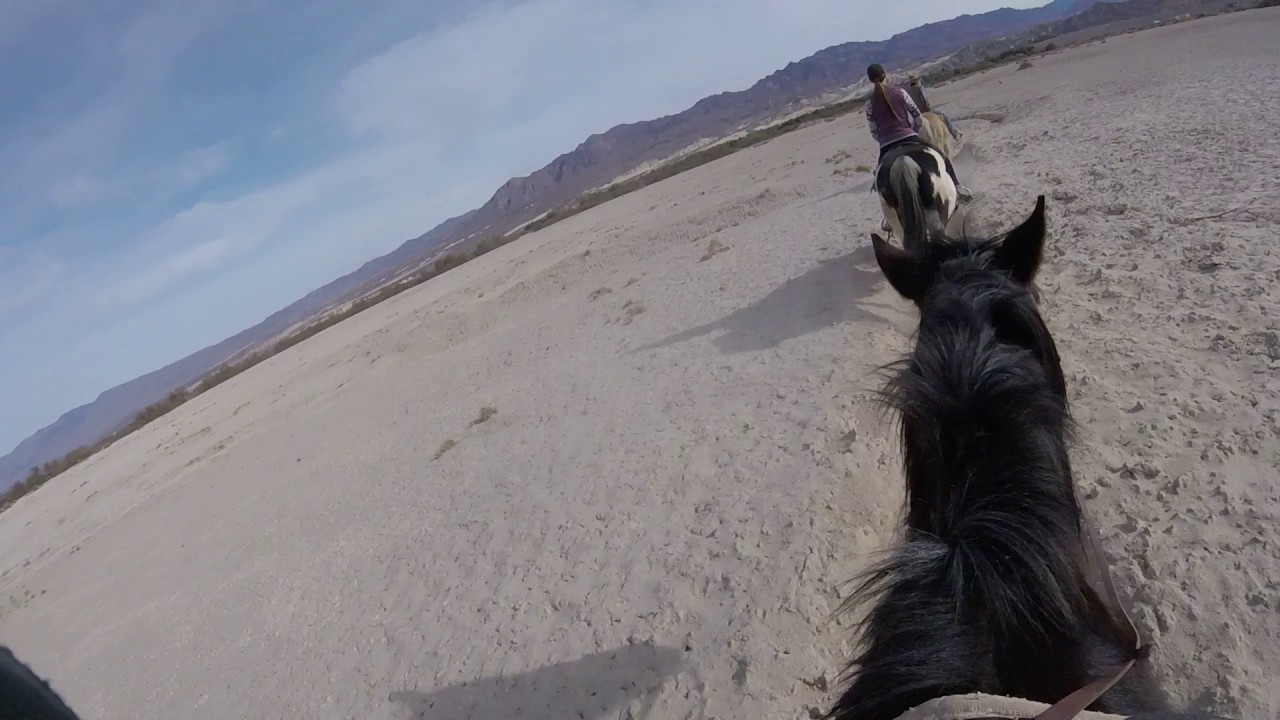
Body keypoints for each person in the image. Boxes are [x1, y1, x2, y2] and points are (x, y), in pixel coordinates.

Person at [864, 63, 972, 202]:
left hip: (886, 145)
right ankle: (957, 187)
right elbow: (917, 116)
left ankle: (890, 217)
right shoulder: (900, 92)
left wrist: (885, 139)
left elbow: (873, 131)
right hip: (908, 136)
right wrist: (912, 131)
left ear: (870, 80)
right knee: (942, 157)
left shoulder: (869, 104)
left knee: (879, 179)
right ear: (885, 74)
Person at [906, 74, 963, 141]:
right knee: (944, 116)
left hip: (917, 114)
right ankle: (955, 134)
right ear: (917, 80)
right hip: (925, 110)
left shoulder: (908, 91)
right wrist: (928, 108)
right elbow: (924, 100)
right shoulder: (920, 87)